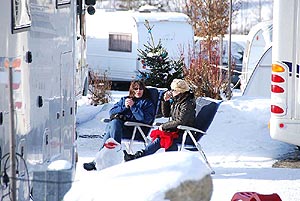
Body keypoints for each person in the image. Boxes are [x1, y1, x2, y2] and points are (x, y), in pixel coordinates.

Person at [84, 80, 156, 170]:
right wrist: (124, 107)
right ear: (132, 90)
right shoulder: (125, 99)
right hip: (120, 129)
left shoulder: (147, 103)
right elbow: (111, 112)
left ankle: (98, 161)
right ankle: (105, 159)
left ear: (143, 90)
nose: (138, 91)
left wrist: (133, 107)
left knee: (112, 127)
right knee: (114, 124)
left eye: (140, 89)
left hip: (136, 130)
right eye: (136, 89)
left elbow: (143, 119)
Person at [123, 78, 196, 161]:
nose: (171, 92)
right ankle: (140, 156)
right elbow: (166, 114)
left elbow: (181, 121)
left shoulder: (187, 103)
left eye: (173, 90)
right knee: (159, 136)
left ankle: (139, 157)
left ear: (179, 91)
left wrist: (164, 126)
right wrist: (165, 101)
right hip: (177, 130)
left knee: (162, 138)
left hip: (185, 133)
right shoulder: (178, 101)